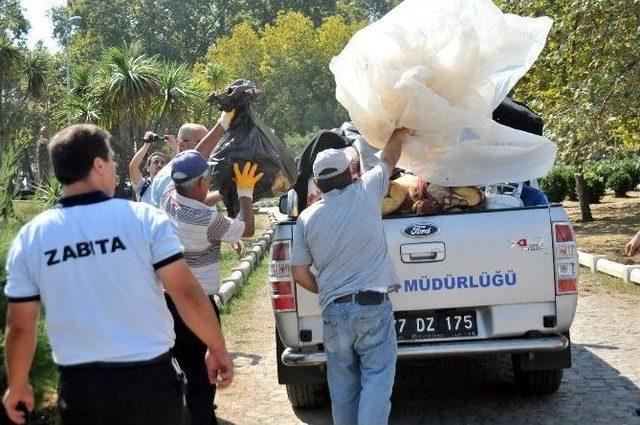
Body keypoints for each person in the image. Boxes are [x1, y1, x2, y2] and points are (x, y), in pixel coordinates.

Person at [2, 124, 234, 425]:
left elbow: (20, 325)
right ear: (98, 165)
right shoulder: (143, 220)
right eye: (112, 160)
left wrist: (18, 384)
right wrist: (216, 348)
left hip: (82, 391)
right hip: (150, 384)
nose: (115, 168)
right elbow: (186, 292)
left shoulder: (32, 236)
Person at [291, 129, 407, 425]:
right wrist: (399, 131)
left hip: (334, 310)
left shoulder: (306, 218)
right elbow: (390, 156)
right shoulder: (367, 190)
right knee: (376, 381)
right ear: (351, 172)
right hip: (372, 307)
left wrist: (326, 291)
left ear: (318, 183)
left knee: (342, 390)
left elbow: (299, 272)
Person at [159, 150, 262, 425]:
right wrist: (244, 192)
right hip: (198, 305)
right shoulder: (206, 219)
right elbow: (247, 227)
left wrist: (223, 189)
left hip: (166, 302)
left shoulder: (168, 197)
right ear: (202, 184)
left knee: (175, 368)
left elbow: (198, 193)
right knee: (201, 375)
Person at [128, 134, 168, 203]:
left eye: (163, 162)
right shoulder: (143, 185)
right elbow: (133, 167)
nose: (159, 165)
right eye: (156, 162)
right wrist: (147, 144)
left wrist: (176, 147)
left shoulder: (170, 185)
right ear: (148, 168)